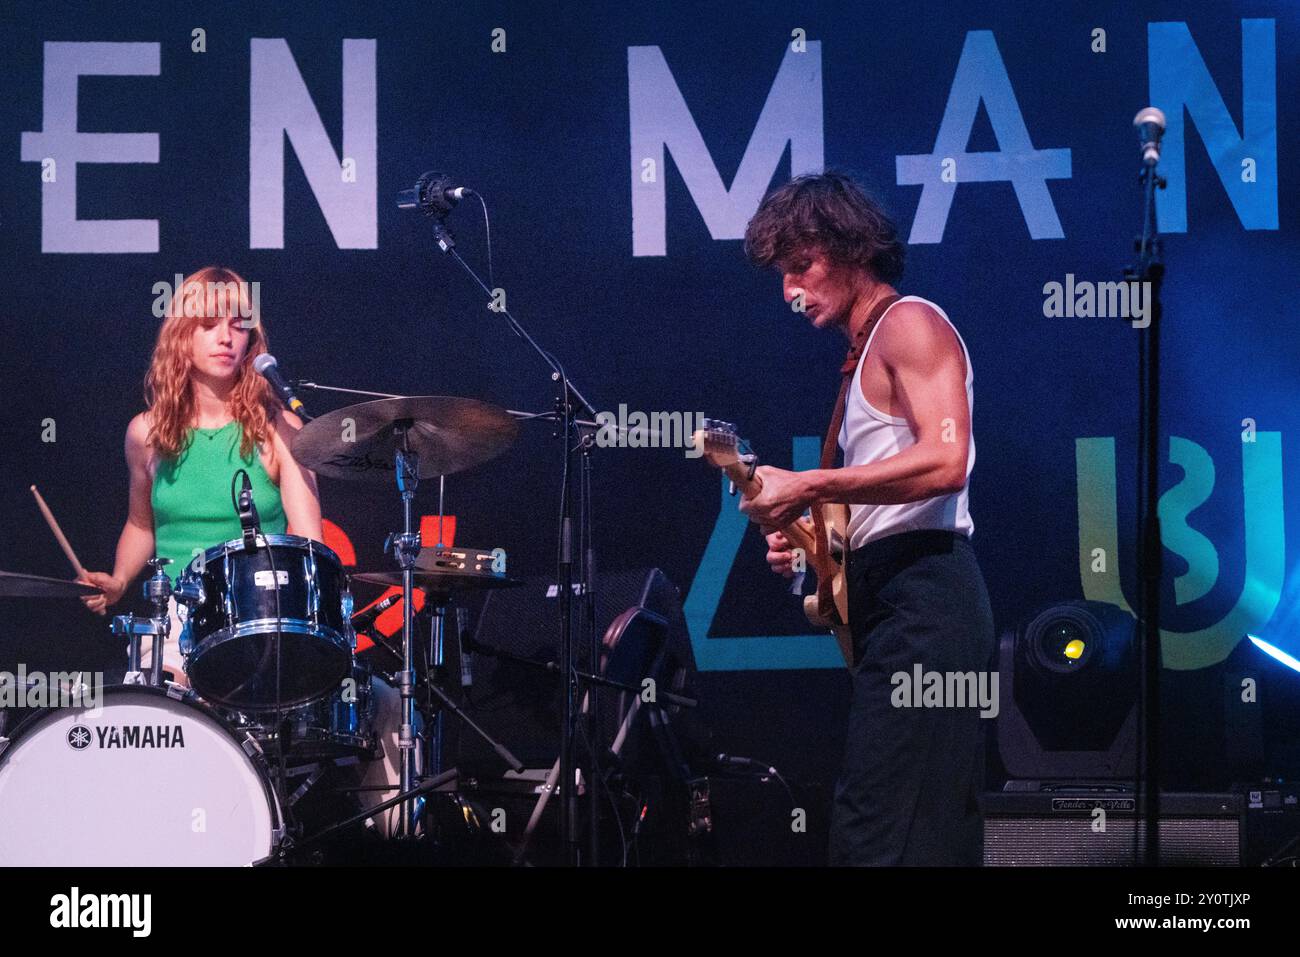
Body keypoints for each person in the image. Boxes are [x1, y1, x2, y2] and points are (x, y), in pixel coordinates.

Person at [738, 172, 994, 865]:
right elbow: (885, 501)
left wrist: (812, 482)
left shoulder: (909, 322)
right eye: (782, 274)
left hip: (925, 598)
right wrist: (814, 546)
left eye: (802, 266)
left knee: (878, 830)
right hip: (891, 598)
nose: (790, 290)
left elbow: (947, 460)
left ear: (849, 244)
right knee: (914, 832)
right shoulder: (862, 353)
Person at [80, 266, 322, 684]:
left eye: (237, 326)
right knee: (163, 701)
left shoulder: (281, 429)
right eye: (208, 325)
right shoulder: (146, 433)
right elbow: (142, 525)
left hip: (260, 614)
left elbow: (308, 543)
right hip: (175, 621)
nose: (226, 338)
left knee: (384, 708)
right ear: (181, 336)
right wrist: (119, 581)